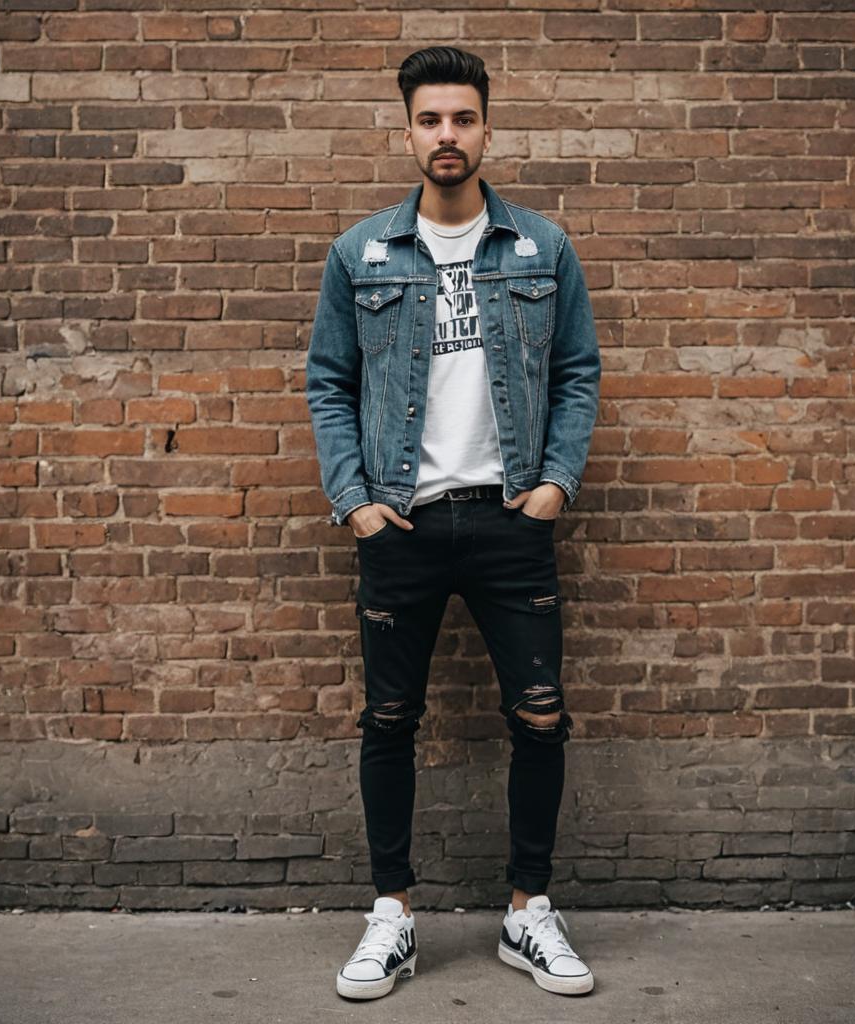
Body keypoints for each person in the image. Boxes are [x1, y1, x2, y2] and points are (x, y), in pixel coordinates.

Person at [305, 45, 601, 1000]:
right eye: (430, 120)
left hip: (513, 520)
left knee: (541, 716)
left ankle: (527, 913)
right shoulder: (363, 253)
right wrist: (354, 500)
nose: (447, 136)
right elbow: (329, 383)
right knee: (390, 718)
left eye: (463, 118)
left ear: (486, 128)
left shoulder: (542, 248)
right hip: (404, 524)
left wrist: (556, 480)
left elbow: (577, 373)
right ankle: (391, 915)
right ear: (406, 132)